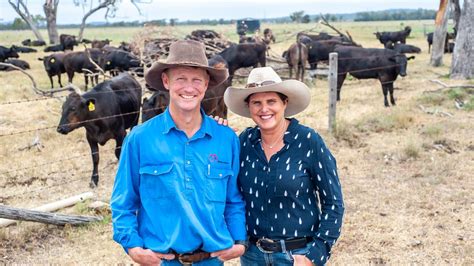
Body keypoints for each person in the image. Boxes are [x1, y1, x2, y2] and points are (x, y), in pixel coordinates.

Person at [110, 40, 247, 266]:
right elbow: (123, 202)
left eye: (196, 80)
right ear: (166, 81)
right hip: (162, 260)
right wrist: (133, 246)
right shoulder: (140, 139)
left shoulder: (226, 139)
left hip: (211, 261)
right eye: (180, 79)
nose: (189, 88)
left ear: (206, 85)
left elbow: (233, 199)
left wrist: (240, 241)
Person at [223, 67, 344, 266]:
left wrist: (316, 254)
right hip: (253, 255)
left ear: (284, 103)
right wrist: (216, 130)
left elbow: (334, 203)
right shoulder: (244, 142)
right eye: (256, 103)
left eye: (271, 101)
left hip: (298, 254)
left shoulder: (307, 141)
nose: (264, 109)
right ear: (249, 107)